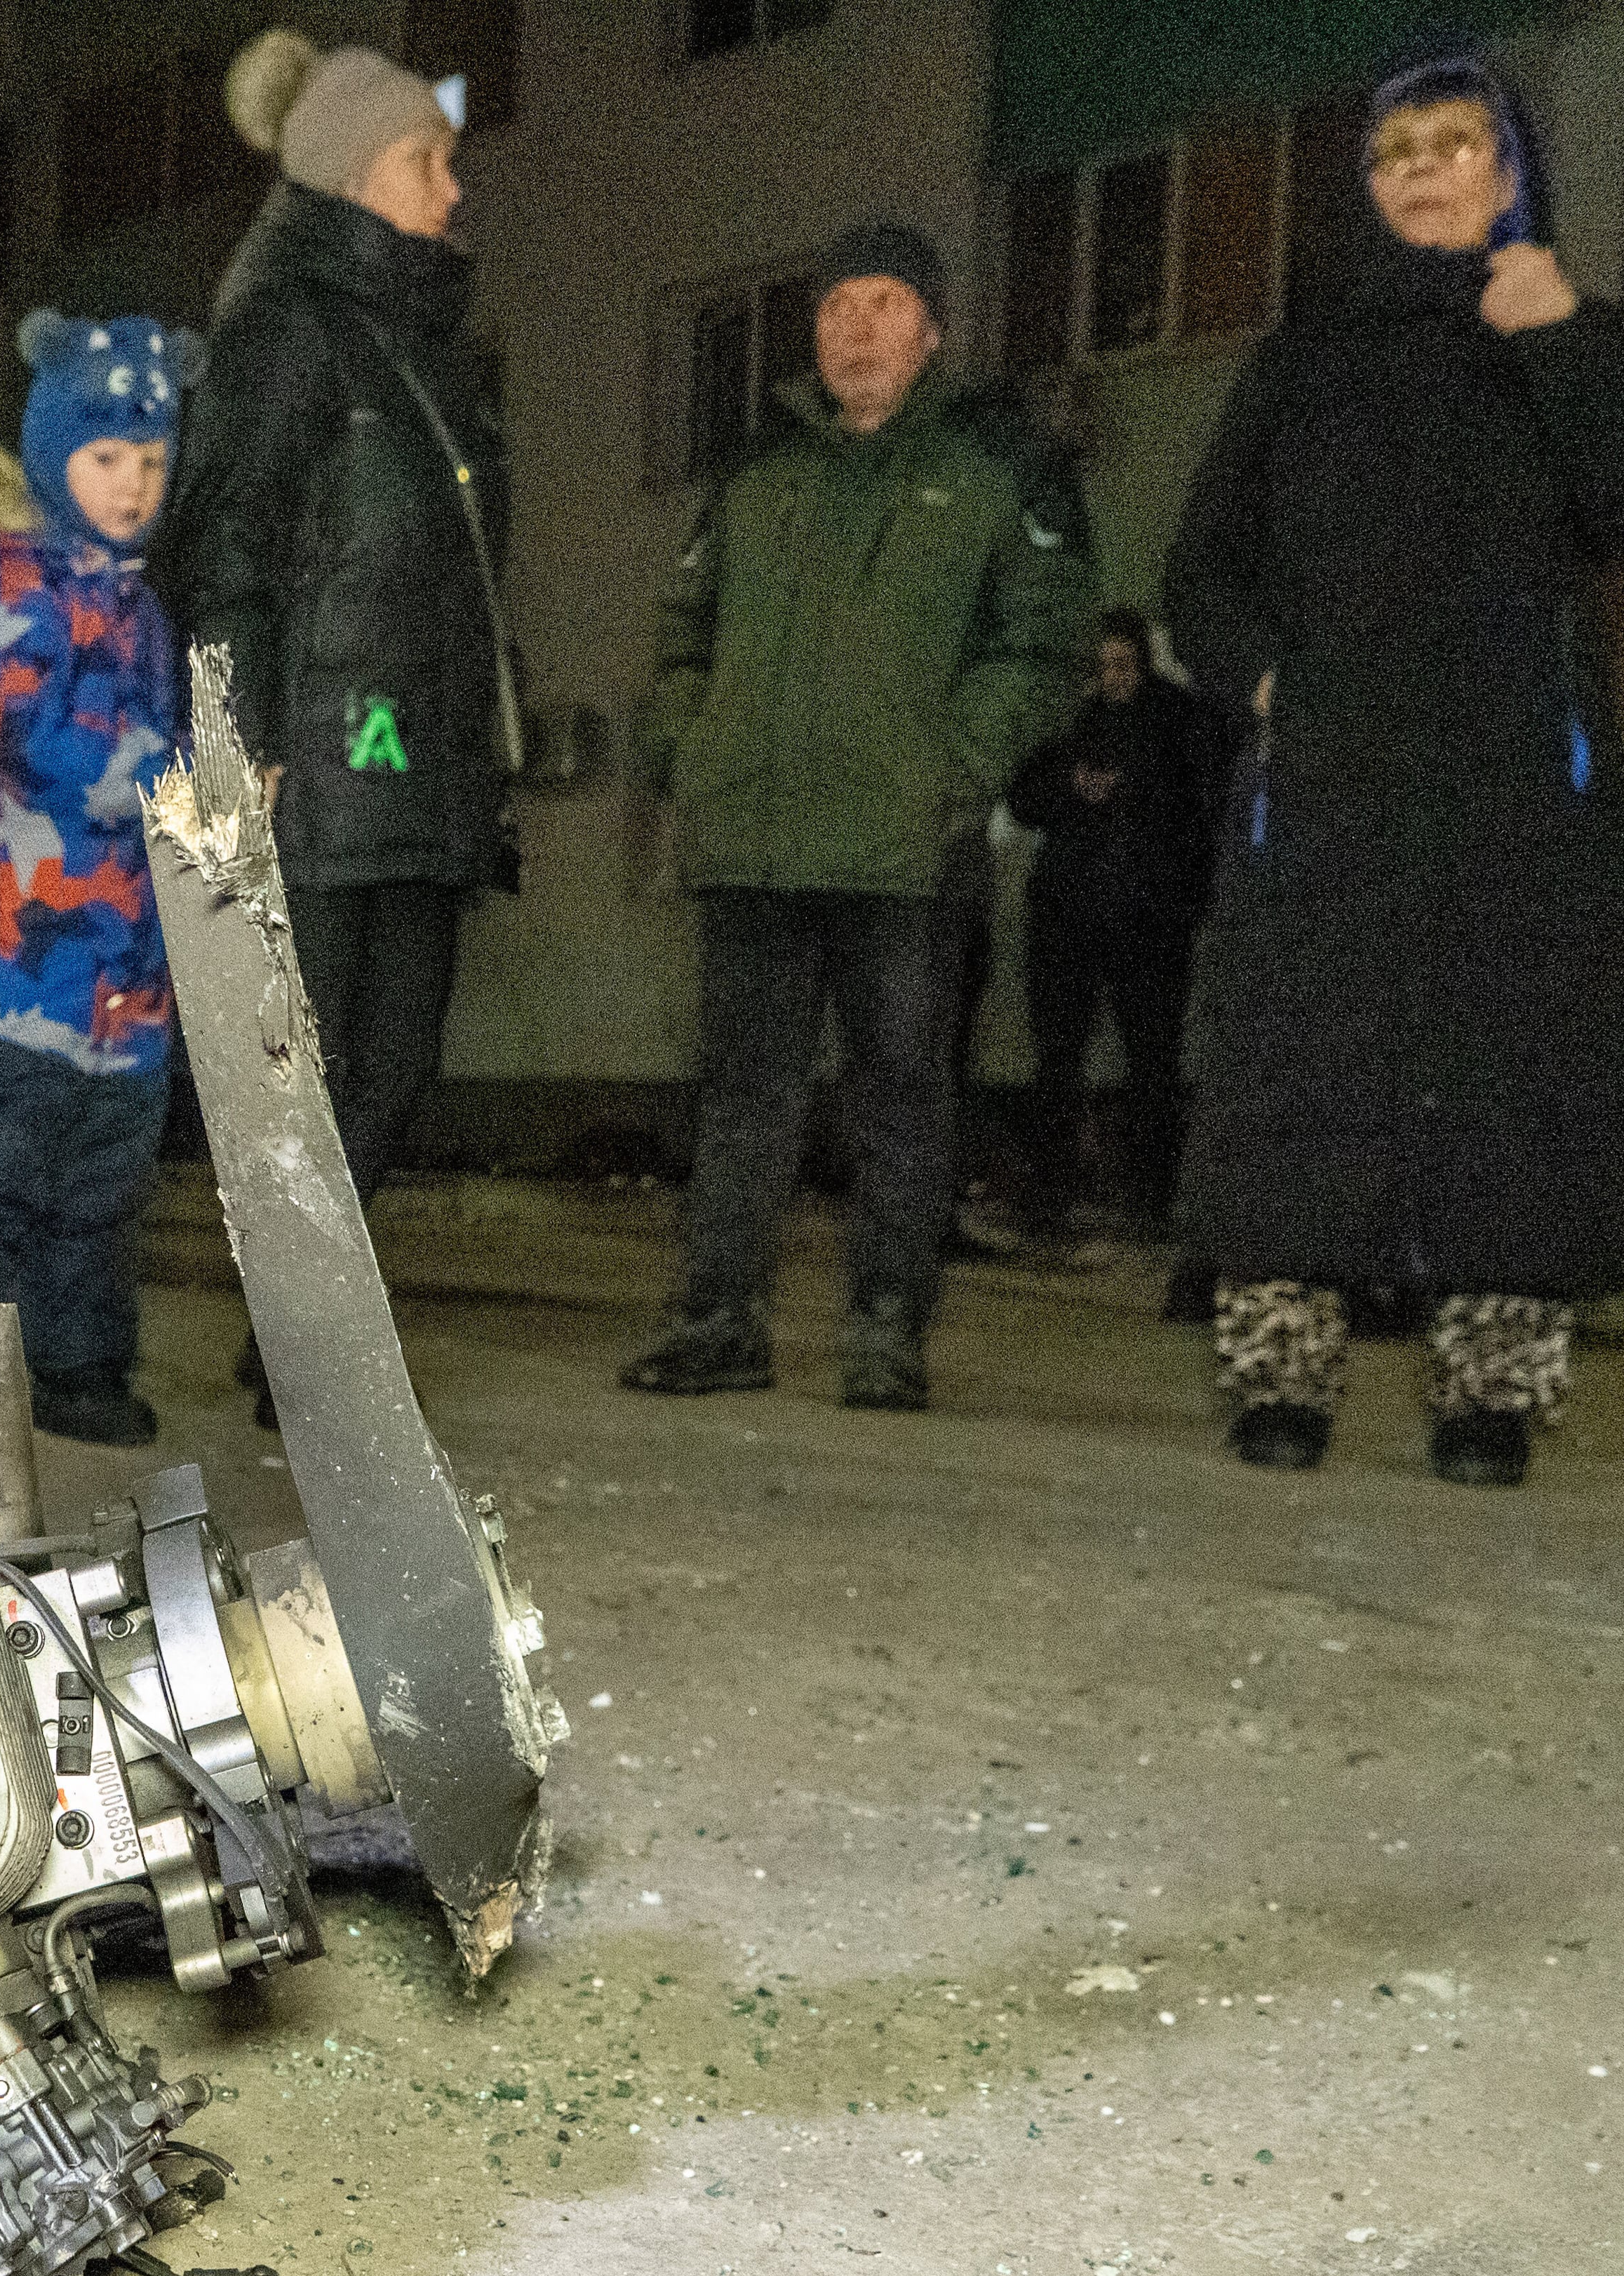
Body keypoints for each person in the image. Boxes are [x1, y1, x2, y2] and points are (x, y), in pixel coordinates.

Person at [1164, 48, 1624, 1485]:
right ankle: (1282, 1374)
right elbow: (1200, 570)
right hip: (1330, 785)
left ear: (1509, 171)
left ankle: (1492, 1393)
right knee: (1301, 1063)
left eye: (1453, 143)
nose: (1419, 168)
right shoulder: (1305, 358)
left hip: (1522, 789)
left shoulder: (1564, 332)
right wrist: (1273, 683)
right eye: (1395, 149)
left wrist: (1565, 335)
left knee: (1514, 1070)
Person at [624, 221, 1094, 1412]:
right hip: (752, 839)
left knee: (901, 1094)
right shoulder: (758, 476)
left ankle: (887, 1328)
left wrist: (951, 768)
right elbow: (683, 638)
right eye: (839, 307)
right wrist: (695, 746)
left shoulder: (992, 472)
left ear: (933, 328)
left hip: (904, 849)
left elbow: (1042, 647)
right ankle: (720, 1319)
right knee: (742, 1094)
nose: (857, 328)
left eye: (886, 304)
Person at [159, 28, 518, 1426]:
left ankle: (300, 1330)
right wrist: (235, 732)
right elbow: (224, 538)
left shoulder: (420, 348)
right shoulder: (287, 332)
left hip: (417, 755)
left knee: (397, 1058)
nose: (451, 187)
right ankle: (303, 1347)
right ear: (361, 174)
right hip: (321, 749)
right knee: (307, 1070)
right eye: (430, 161)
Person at [0, 310, 198, 1448]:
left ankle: (76, 1362)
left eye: (151, 462)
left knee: (102, 1177)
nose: (131, 483)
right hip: (18, 951)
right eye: (107, 459)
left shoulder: (140, 603)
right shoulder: (8, 584)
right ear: (56, 452)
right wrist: (157, 772)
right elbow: (9, 731)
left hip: (129, 968)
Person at [1004, 608, 1226, 1246]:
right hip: (1084, 915)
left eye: (1122, 665)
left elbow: (1194, 802)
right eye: (1104, 667)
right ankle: (1063, 1198)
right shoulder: (1081, 721)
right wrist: (1077, 787)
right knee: (1067, 1061)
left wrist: (1111, 791)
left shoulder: (1175, 722)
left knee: (1147, 1063)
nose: (1113, 678)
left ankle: (1144, 1198)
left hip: (1141, 918)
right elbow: (1027, 793)